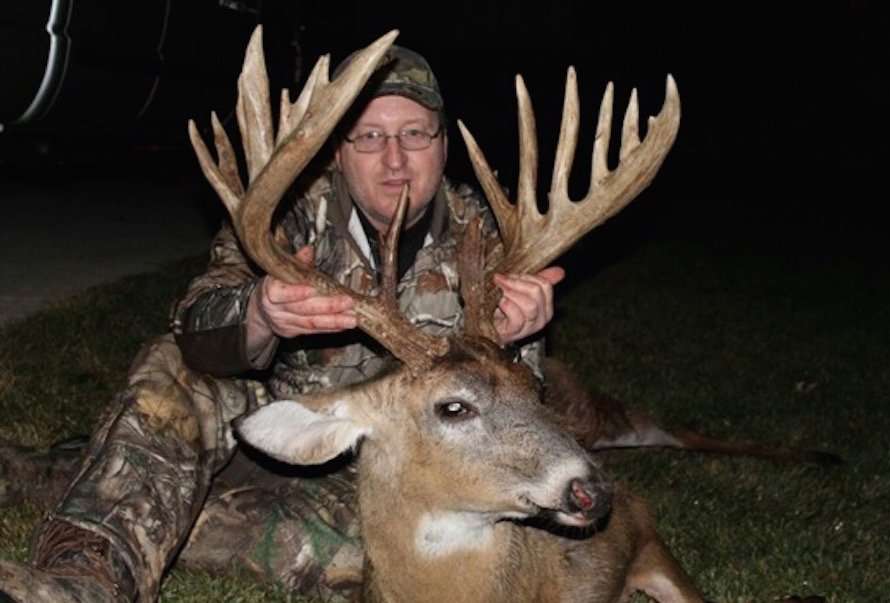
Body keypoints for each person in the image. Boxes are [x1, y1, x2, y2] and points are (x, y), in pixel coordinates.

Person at [0, 43, 564, 603]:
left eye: (415, 133)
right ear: (336, 151)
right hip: (264, 425)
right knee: (174, 371)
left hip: (378, 480)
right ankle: (84, 584)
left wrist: (517, 341)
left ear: (443, 146)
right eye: (368, 136)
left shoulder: (489, 239)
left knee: (374, 561)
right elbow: (196, 323)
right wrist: (259, 315)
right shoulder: (283, 217)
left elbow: (517, 410)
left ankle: (100, 486)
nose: (394, 157)